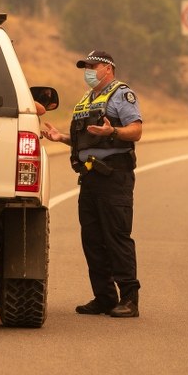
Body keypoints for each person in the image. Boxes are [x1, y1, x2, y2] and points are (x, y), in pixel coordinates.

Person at [41, 50, 142, 318]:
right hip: (90, 178)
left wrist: (114, 131)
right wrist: (60, 137)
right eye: (86, 66)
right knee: (93, 240)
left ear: (108, 69)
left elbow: (137, 130)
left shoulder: (121, 94)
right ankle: (105, 297)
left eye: (92, 66)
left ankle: (130, 299)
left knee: (117, 237)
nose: (88, 70)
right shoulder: (87, 100)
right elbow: (86, 140)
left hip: (114, 176)